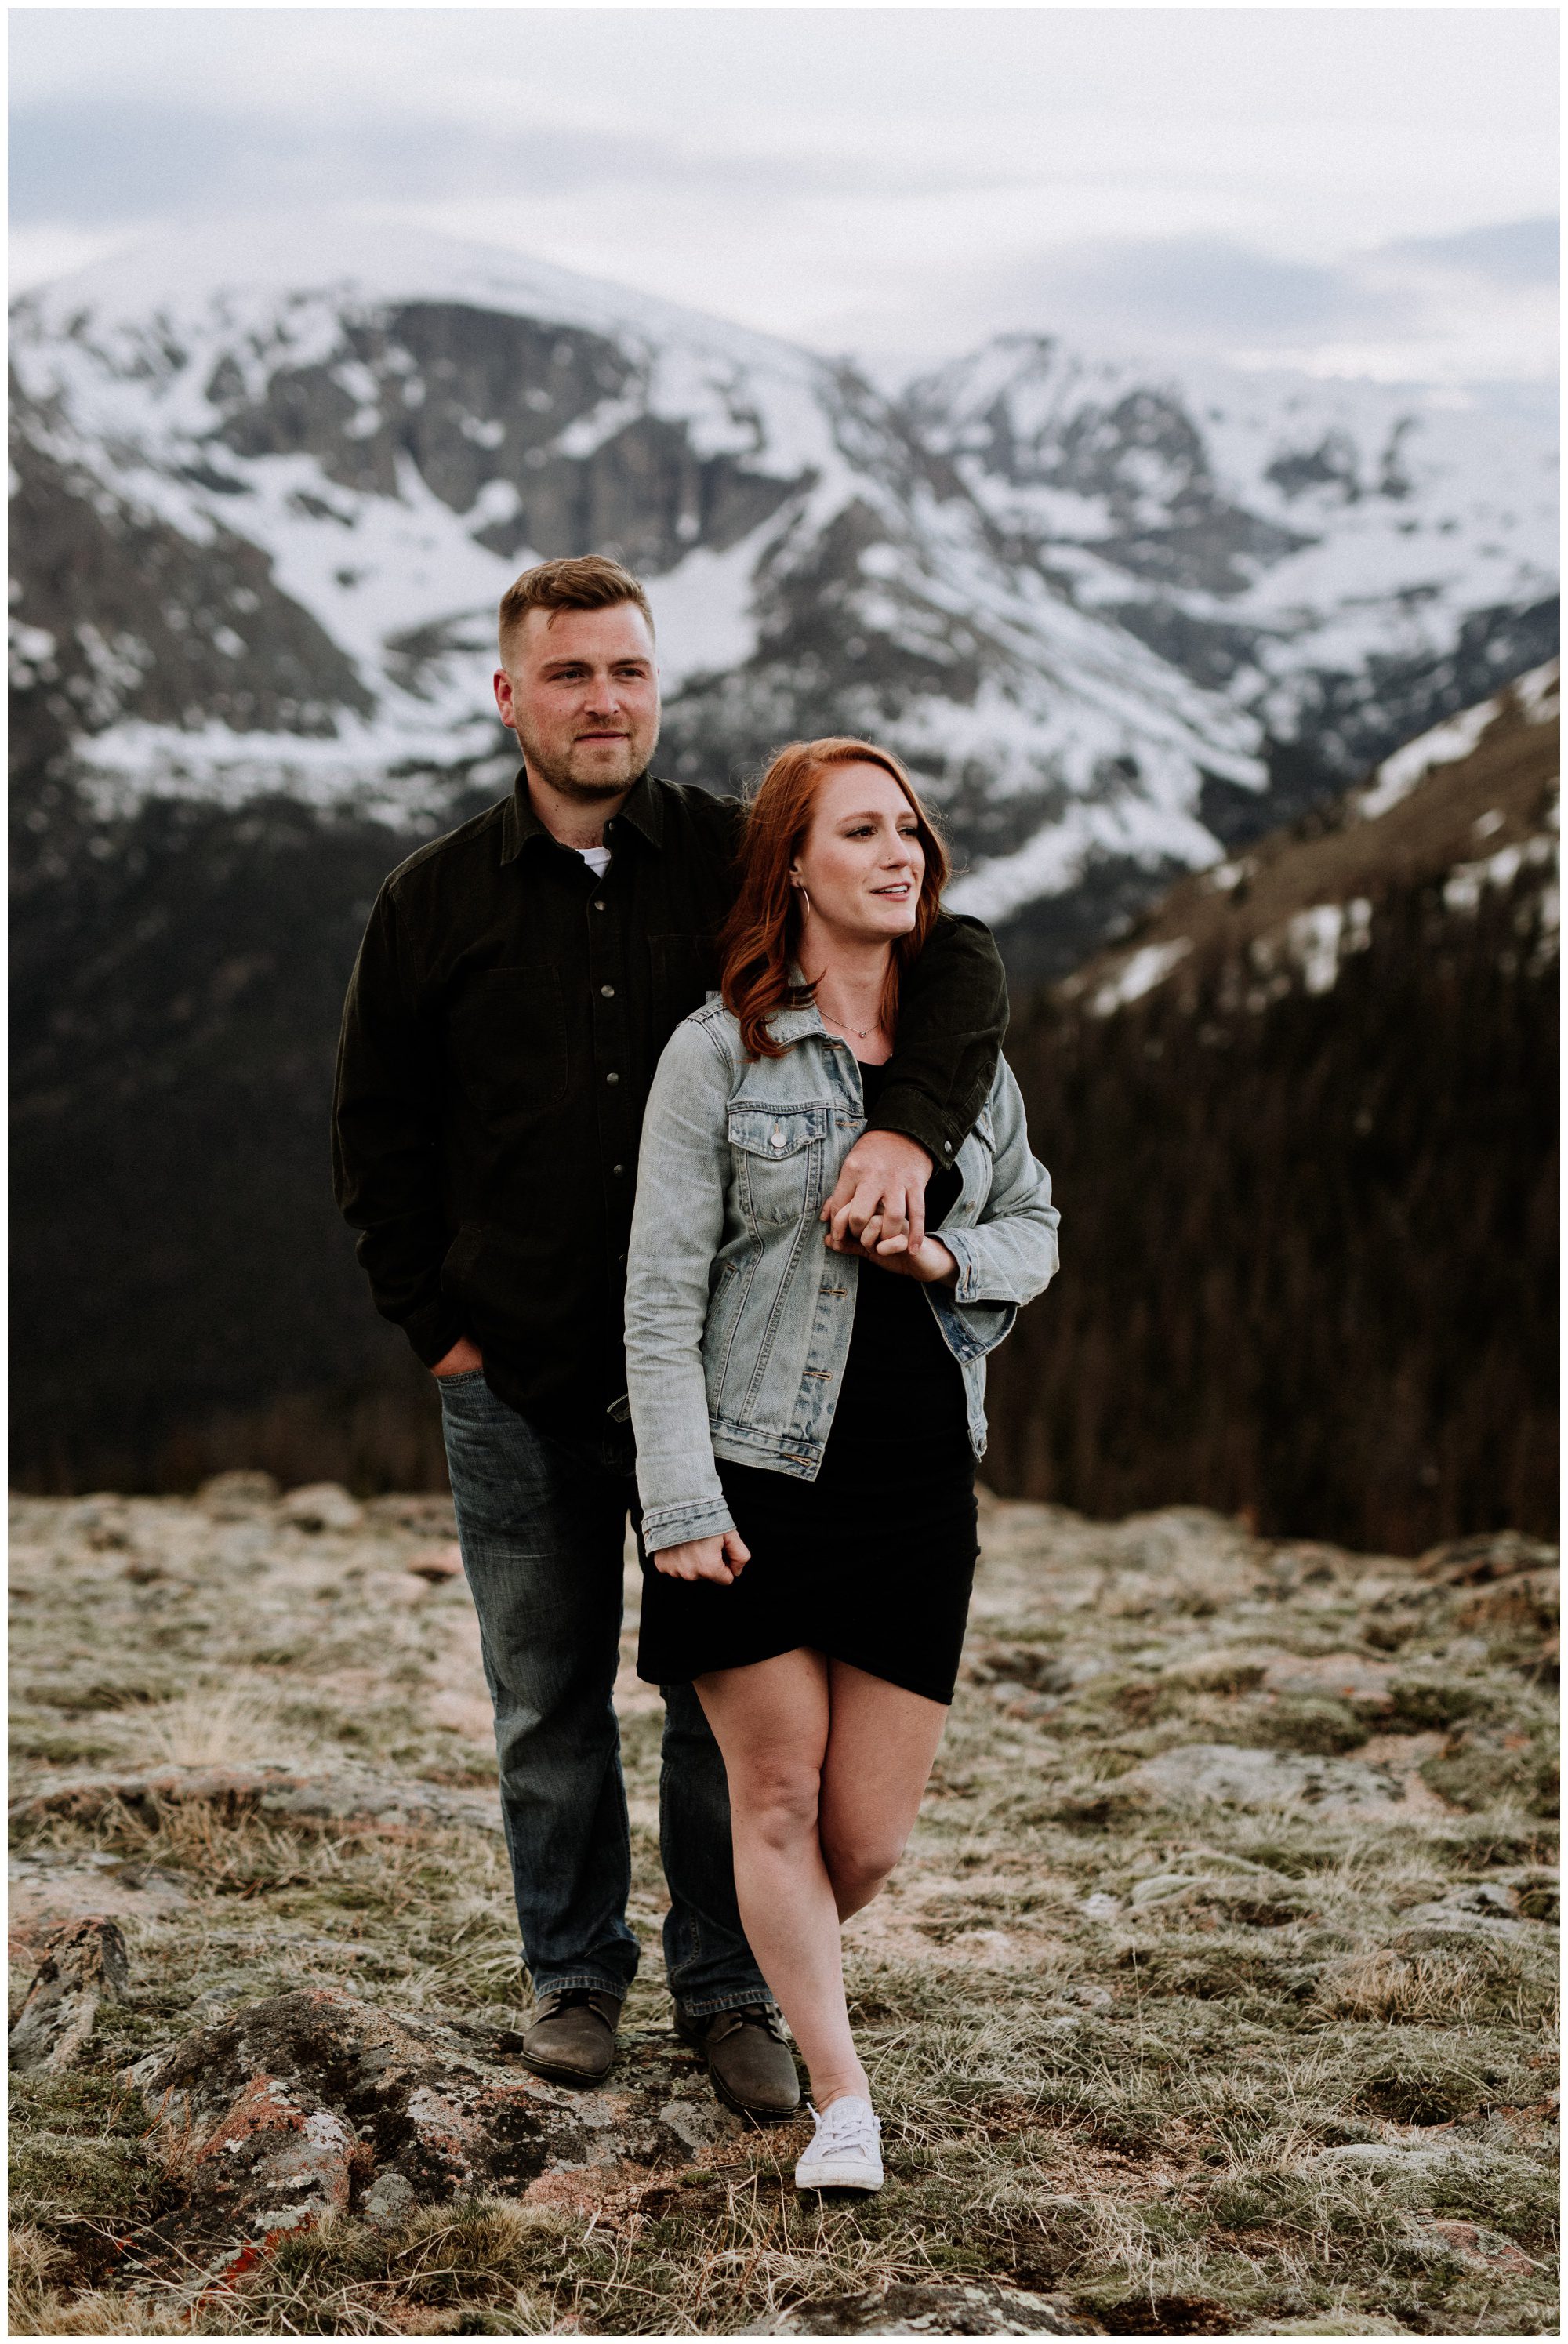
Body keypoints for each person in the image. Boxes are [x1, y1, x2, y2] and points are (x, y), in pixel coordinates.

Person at [332, 557, 1009, 2121]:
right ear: (510, 695)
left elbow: (951, 953)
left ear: (656, 682)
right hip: (511, 1378)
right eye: (568, 675)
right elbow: (377, 1133)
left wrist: (906, 1133)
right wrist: (441, 1332)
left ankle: (728, 1991)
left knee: (732, 1703)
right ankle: (573, 1976)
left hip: (720, 1382)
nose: (602, 701)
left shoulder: (724, 854)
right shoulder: (429, 899)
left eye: (627, 671)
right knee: (545, 1687)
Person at [622, 736, 1058, 2190]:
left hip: (916, 1486)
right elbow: (659, 1298)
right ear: (792, 864)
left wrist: (944, 1247)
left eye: (913, 832)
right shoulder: (716, 1052)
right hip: (750, 1478)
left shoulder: (963, 1063)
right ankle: (842, 2098)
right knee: (770, 1794)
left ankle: (765, 1965)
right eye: (862, 831)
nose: (901, 855)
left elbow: (1041, 1227)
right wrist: (676, 1502)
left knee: (859, 1839)